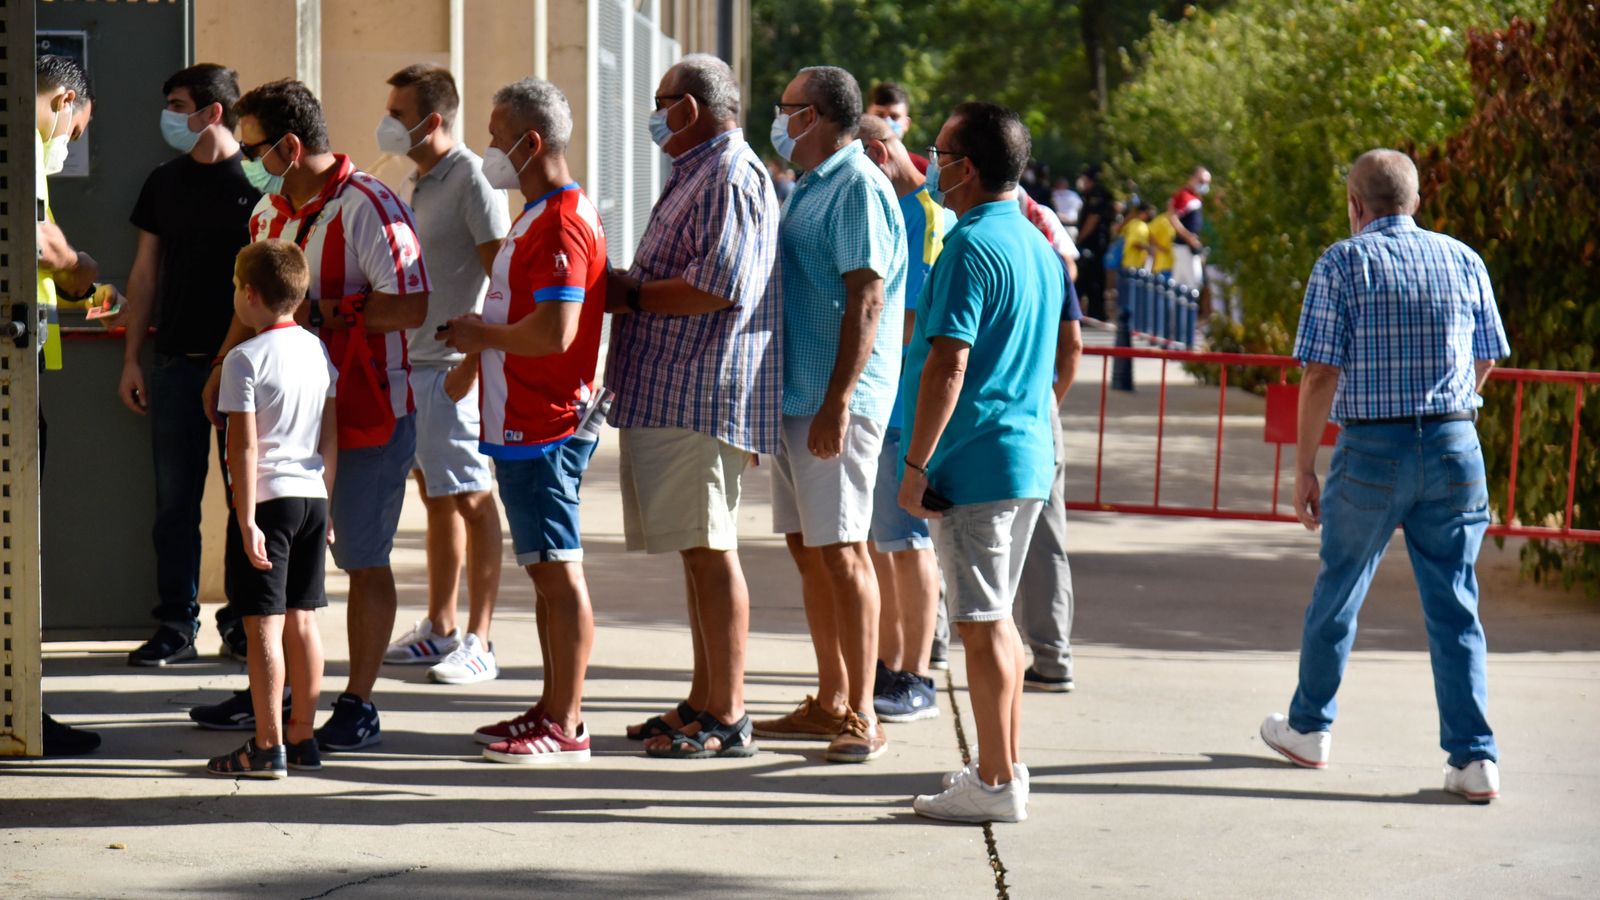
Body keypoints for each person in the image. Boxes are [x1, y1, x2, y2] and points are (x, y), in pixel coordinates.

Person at [1260, 149, 1510, 804]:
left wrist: (1305, 467)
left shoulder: (1343, 262)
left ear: (1355, 204)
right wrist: (1453, 406)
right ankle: (1474, 758)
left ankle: (1310, 729)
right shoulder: (1463, 259)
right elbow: (1487, 355)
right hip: (1456, 444)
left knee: (1339, 588)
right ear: (1416, 200)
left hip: (1371, 449)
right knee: (1456, 602)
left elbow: (1318, 374)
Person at [203, 80, 429, 752]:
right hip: (276, 424)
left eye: (253, 149)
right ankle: (271, 697)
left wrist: (323, 315)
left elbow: (412, 306)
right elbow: (247, 304)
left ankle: (357, 700)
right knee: (276, 573)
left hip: (363, 413)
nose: (246, 160)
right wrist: (220, 368)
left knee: (362, 557)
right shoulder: (268, 210)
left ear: (290, 146)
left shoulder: (371, 207)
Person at [603, 54, 779, 758]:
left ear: (693, 107)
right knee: (695, 555)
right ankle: (703, 700)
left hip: (700, 392)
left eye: (661, 100)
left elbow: (722, 282)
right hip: (672, 389)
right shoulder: (699, 170)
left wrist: (634, 294)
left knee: (712, 554)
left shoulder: (731, 173)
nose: (652, 113)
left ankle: (728, 714)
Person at [901, 102, 1062, 823]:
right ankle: (1002, 768)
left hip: (975, 462)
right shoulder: (1033, 242)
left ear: (966, 167)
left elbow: (949, 362)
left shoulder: (969, 245)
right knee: (995, 622)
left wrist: (915, 462)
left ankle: (995, 783)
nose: (929, 163)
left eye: (937, 152)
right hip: (1024, 456)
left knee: (983, 620)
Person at [442, 78, 606, 765]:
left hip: (543, 426)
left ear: (529, 143)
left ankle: (565, 724)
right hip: (522, 423)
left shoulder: (562, 220)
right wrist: (477, 356)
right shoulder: (538, 215)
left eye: (495, 133)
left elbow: (556, 331)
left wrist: (479, 338)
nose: (488, 149)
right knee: (544, 569)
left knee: (557, 572)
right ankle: (552, 704)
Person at [751, 66, 906, 764]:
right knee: (809, 547)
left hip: (834, 401)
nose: (777, 120)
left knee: (843, 552)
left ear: (813, 115)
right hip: (797, 397)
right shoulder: (814, 186)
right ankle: (829, 698)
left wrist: (838, 401)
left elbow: (867, 298)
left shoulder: (857, 186)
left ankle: (862, 713)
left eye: (786, 108)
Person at [119, 64, 262, 668]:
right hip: (175, 365)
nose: (169, 116)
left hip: (242, 368)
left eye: (178, 104)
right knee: (174, 502)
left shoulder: (258, 182)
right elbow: (145, 273)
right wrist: (132, 357)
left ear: (212, 112)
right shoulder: (164, 182)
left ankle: (240, 622)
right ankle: (176, 623)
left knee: (242, 500)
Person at [375, 64, 510, 685]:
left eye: (398, 114)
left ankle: (480, 639)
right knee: (436, 498)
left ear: (432, 121)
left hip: (451, 369)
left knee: (474, 500)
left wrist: (476, 360)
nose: (389, 123)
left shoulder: (473, 180)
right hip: (413, 363)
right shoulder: (420, 180)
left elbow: (501, 280)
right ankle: (440, 626)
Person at [206, 240, 336, 779]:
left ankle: (266, 744)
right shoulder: (316, 350)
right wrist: (329, 500)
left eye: (236, 288)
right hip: (312, 496)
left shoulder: (244, 359)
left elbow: (244, 447)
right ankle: (302, 735)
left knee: (263, 625)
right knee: (303, 621)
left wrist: (244, 519)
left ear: (250, 293)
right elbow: (331, 434)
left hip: (268, 502)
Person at [856, 113, 952, 723]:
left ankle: (916, 670)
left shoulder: (925, 215)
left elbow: (914, 323)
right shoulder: (904, 209)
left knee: (907, 543)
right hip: (887, 406)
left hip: (904, 410)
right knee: (884, 543)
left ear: (875, 152)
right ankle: (892, 662)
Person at [32, 54, 101, 757]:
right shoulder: (26, 151)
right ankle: (24, 708)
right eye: (75, 127)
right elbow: (50, 249)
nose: (71, 142)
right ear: (64, 99)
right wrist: (87, 273)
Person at [1074, 165, 1114, 320]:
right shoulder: (1100, 193)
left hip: (1093, 244)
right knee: (1095, 278)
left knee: (1091, 278)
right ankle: (1094, 311)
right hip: (1098, 243)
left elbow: (1093, 219)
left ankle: (1095, 312)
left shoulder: (1096, 194)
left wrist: (1080, 238)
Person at [866, 82, 928, 174]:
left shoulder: (924, 170)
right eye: (879, 115)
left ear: (906, 124)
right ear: (866, 119)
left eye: (894, 116)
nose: (886, 123)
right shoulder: (854, 165)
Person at [1168, 166, 1210, 288]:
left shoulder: (1194, 197)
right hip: (1185, 248)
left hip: (1186, 248)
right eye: (1202, 181)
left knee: (1179, 284)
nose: (1204, 185)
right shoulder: (1185, 195)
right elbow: (1173, 218)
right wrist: (1189, 238)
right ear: (1192, 178)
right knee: (1193, 285)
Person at [1120, 203, 1153, 271]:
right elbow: (1134, 243)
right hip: (1129, 263)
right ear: (1141, 212)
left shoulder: (1144, 225)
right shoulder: (1135, 224)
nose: (1149, 215)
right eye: (1147, 213)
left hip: (1138, 264)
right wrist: (1148, 248)